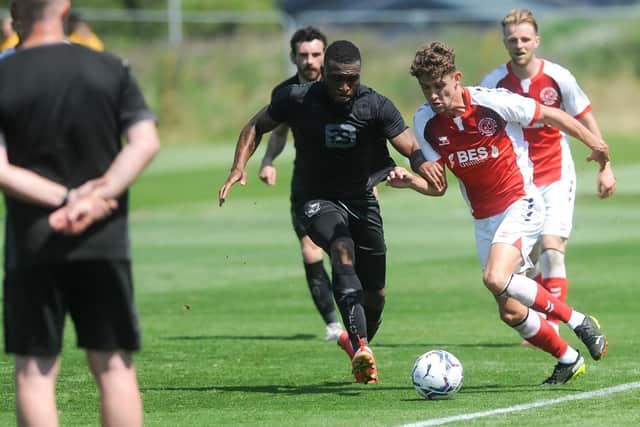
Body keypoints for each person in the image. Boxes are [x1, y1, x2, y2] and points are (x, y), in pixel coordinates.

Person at [219, 40, 441, 384]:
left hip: (361, 199)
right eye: (337, 78)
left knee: (376, 296)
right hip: (315, 199)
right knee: (340, 248)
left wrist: (422, 163)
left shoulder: (376, 105)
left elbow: (409, 145)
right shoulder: (298, 99)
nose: (345, 86)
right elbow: (255, 126)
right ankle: (361, 345)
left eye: (351, 78)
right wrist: (238, 166)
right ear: (325, 73)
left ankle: (358, 342)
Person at [397, 41, 609, 385]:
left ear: (456, 78)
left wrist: (596, 145)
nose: (433, 95)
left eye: (439, 86)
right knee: (510, 310)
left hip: (521, 202)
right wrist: (410, 181)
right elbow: (439, 187)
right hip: (485, 219)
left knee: (495, 277)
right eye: (426, 88)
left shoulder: (490, 102)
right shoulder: (425, 122)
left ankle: (579, 321)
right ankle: (568, 359)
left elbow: (550, 114)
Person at [0, 1, 160, 426]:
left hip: (33, 242)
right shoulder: (110, 67)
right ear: (66, 7)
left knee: (34, 372)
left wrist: (64, 198)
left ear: (16, 12)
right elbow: (145, 143)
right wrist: (94, 197)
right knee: (113, 366)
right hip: (103, 239)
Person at [481, 9, 616, 341]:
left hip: (556, 173)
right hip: (516, 181)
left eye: (525, 38)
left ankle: (553, 327)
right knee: (524, 266)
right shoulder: (493, 83)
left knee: (552, 247)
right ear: (504, 42)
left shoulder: (558, 77)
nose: (519, 44)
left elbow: (583, 116)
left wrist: (605, 165)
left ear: (537, 40)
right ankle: (544, 317)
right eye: (512, 39)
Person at [258, 26, 344, 342]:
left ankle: (352, 310)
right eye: (303, 55)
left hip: (344, 181)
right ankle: (333, 323)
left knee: (345, 250)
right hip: (306, 181)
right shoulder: (285, 94)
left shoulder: (342, 86)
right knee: (310, 249)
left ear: (326, 55)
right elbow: (278, 132)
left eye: (316, 54)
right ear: (293, 56)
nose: (309, 61)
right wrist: (268, 161)